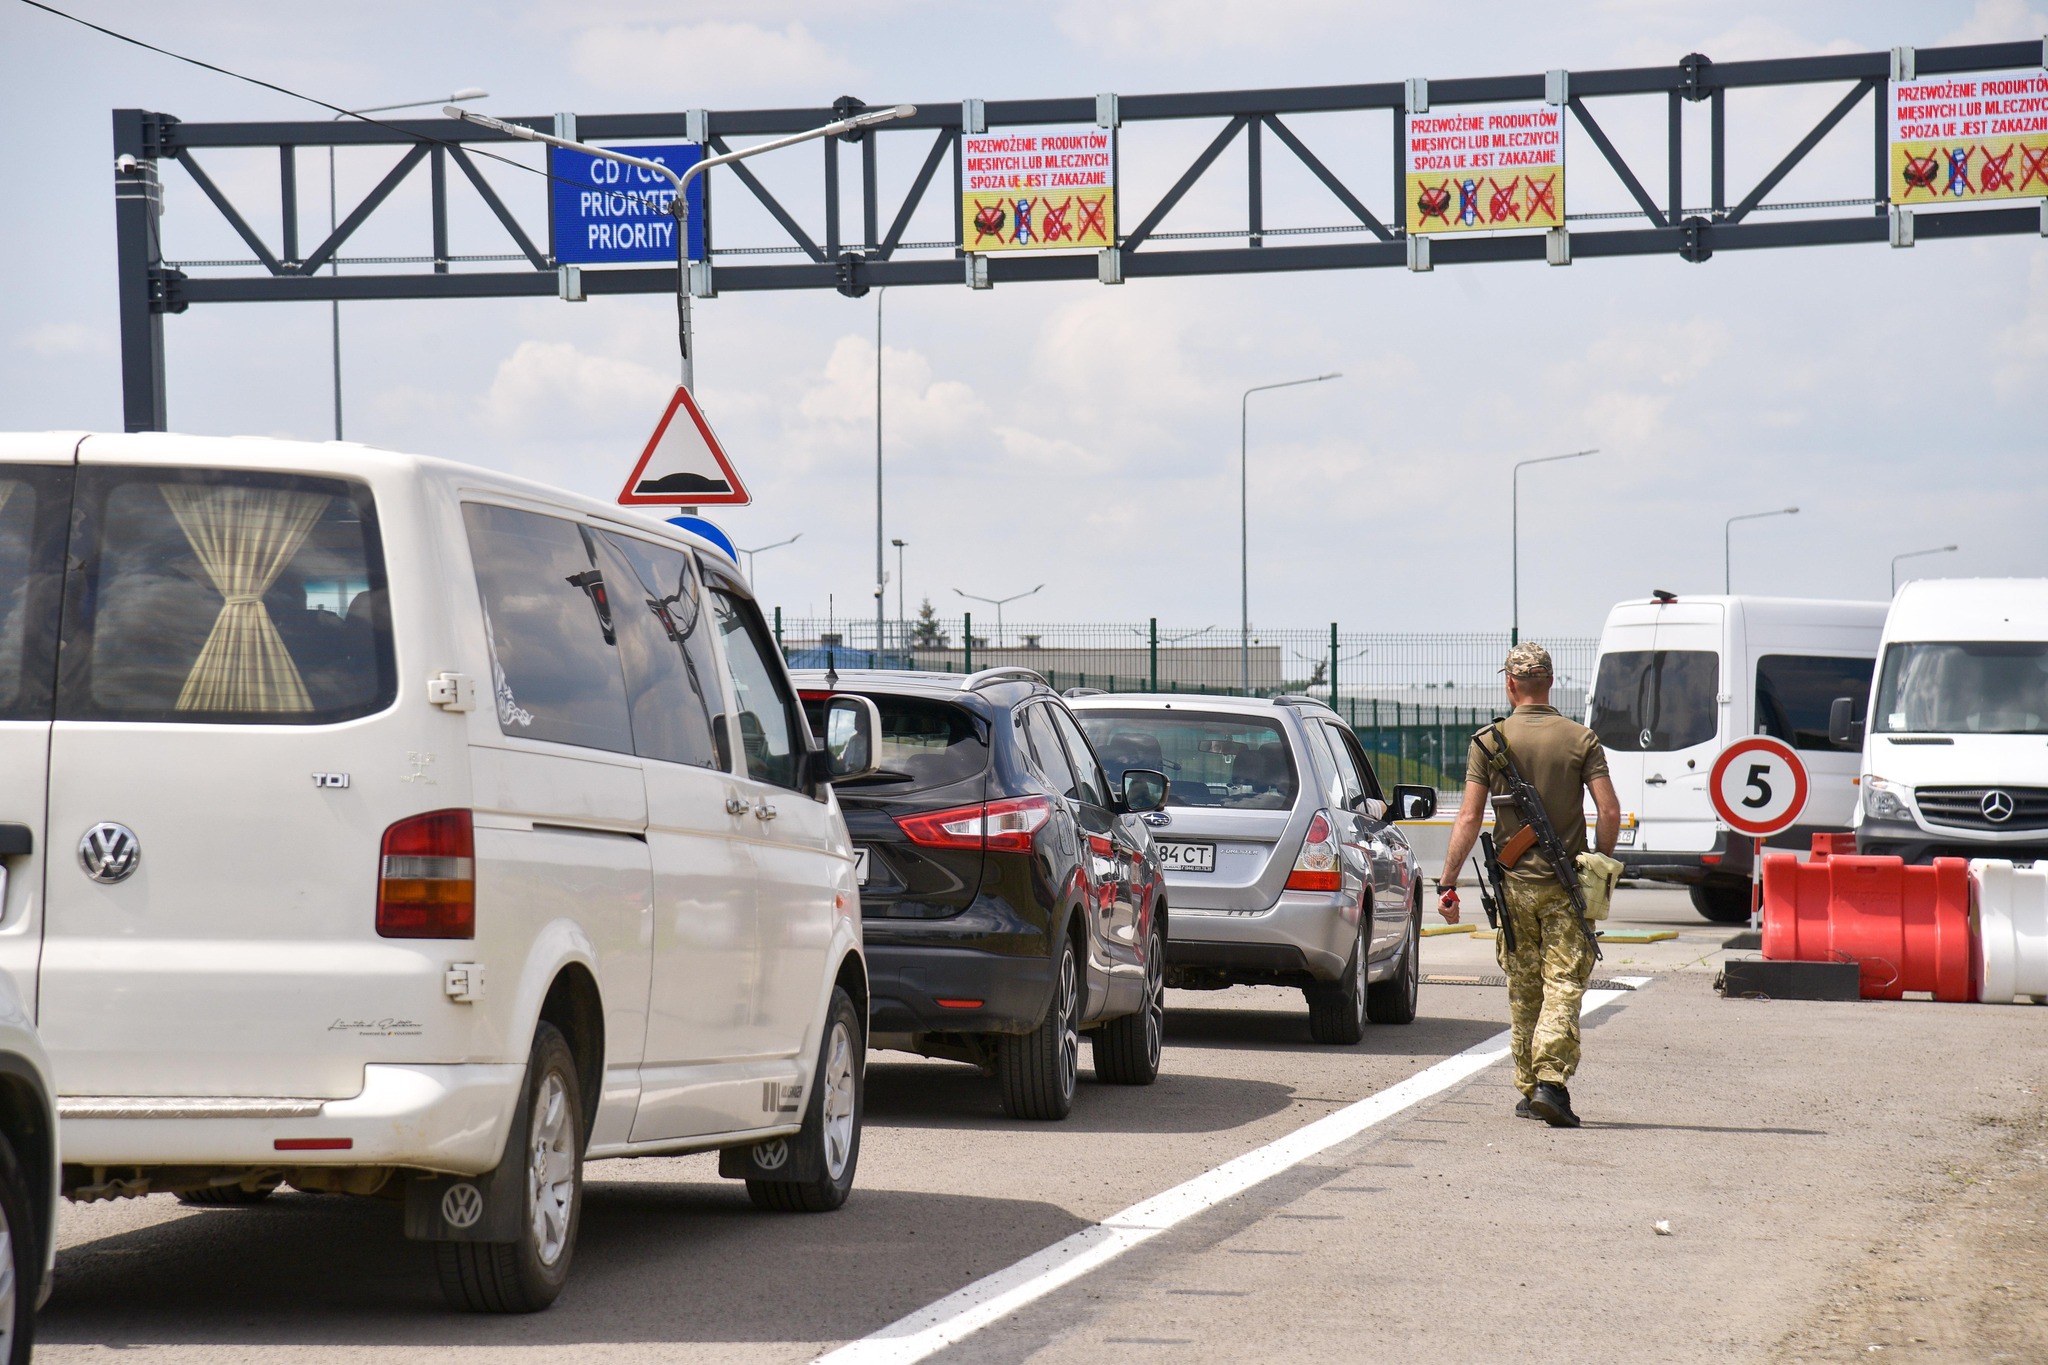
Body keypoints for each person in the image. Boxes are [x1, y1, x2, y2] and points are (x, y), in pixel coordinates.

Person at [1437, 643, 1620, 1128]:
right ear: (1551, 683)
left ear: (1511, 684)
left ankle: (1528, 1086)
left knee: (1523, 986)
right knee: (1564, 982)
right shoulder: (1582, 739)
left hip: (1513, 884)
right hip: (1566, 886)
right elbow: (1609, 811)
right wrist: (1600, 864)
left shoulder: (1489, 741)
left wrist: (1447, 882)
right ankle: (1550, 1083)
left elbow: (1470, 816)